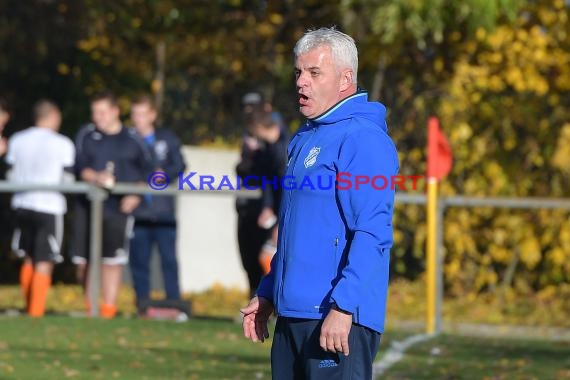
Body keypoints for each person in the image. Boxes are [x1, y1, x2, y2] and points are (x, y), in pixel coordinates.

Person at [240, 27, 399, 379]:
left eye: (314, 73)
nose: (301, 82)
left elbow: (373, 233)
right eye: (298, 72)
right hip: (291, 313)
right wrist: (268, 292)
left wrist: (344, 307)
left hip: (336, 318)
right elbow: (298, 231)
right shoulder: (304, 137)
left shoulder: (362, 138)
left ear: (346, 79)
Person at [71, 91, 152, 318]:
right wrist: (96, 177)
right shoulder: (86, 134)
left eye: (103, 112)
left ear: (116, 111)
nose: (98, 117)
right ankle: (90, 309)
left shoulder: (134, 139)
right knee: (84, 262)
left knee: (111, 262)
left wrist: (136, 194)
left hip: (117, 211)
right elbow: (79, 167)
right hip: (87, 209)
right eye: (95, 112)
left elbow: (152, 174)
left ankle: (108, 309)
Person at [5, 100, 75, 317]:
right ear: (53, 115)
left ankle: (30, 308)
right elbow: (68, 178)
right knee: (45, 259)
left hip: (22, 204)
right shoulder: (62, 143)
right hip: (49, 205)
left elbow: (10, 174)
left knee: (28, 256)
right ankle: (35, 312)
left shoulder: (18, 140)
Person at [129, 94, 186, 312]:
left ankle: (174, 306)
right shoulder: (128, 140)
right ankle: (143, 306)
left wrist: (166, 173)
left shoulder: (166, 138)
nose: (138, 119)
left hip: (163, 212)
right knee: (139, 263)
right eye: (134, 114)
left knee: (169, 261)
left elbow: (180, 165)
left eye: (142, 114)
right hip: (139, 213)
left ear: (152, 115)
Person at [236, 105, 288, 298]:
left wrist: (280, 222)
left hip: (284, 214)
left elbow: (287, 189)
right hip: (275, 213)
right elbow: (268, 182)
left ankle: (276, 304)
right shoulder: (270, 150)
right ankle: (269, 305)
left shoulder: (285, 150)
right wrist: (267, 208)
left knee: (269, 259)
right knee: (263, 258)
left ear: (258, 127)